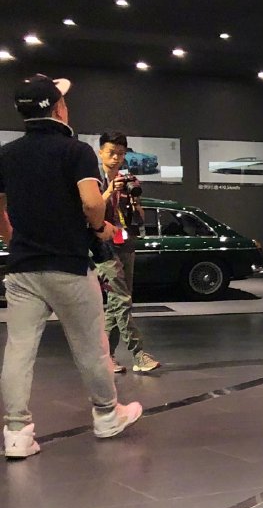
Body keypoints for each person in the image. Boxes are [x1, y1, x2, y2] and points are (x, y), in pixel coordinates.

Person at [0, 75, 142, 458]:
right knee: (91, 346)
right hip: (69, 265)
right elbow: (93, 203)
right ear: (58, 108)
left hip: (22, 268)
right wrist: (99, 228)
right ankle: (107, 415)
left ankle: (16, 432)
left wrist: (14, 240)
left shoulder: (7, 155)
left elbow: (0, 211)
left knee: (18, 349)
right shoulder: (75, 151)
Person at [94, 132, 160, 373]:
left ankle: (106, 357)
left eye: (121, 154)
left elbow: (139, 218)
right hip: (102, 247)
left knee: (117, 302)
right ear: (101, 152)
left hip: (126, 244)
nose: (116, 158)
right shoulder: (93, 181)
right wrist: (110, 191)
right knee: (121, 299)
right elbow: (90, 210)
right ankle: (139, 354)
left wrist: (134, 203)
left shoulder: (129, 180)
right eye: (112, 153)